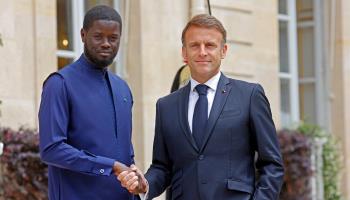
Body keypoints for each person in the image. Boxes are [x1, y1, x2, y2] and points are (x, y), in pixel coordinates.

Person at [118, 14, 284, 200]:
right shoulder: (166, 106)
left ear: (223, 51)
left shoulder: (250, 96)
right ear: (184, 53)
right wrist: (144, 184)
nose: (202, 52)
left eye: (210, 45)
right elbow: (162, 167)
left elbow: (272, 164)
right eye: (194, 45)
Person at [39, 5, 139, 200]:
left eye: (113, 38)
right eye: (98, 36)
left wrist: (136, 179)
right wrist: (109, 166)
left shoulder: (123, 89)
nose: (106, 44)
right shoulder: (59, 84)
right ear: (83, 35)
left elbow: (126, 153)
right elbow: (51, 149)